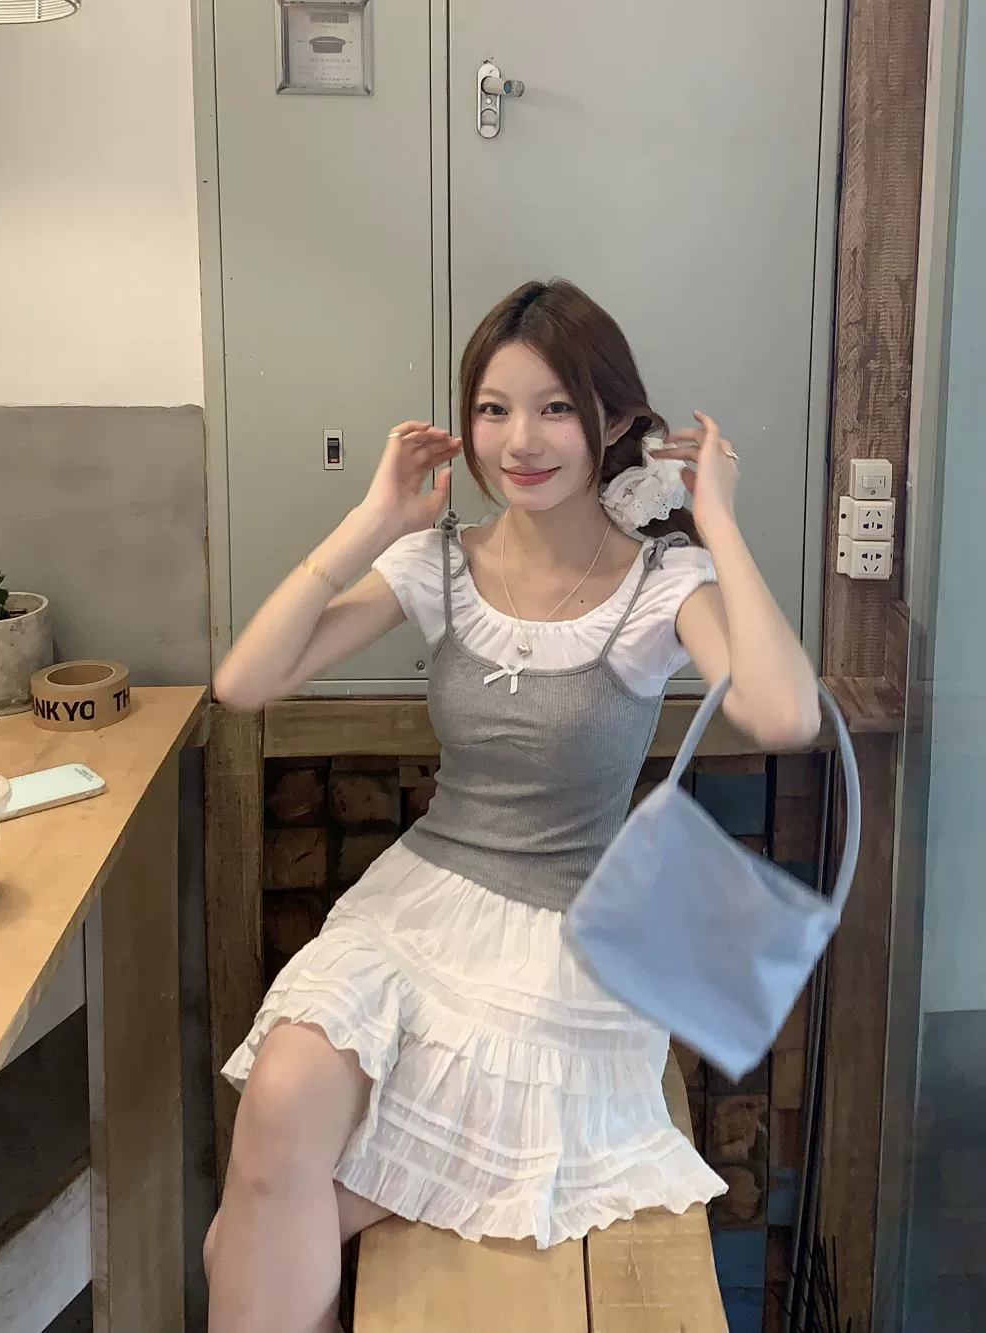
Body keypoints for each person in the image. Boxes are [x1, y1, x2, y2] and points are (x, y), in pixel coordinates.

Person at [206, 279, 821, 1333]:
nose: (520, 440)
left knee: (246, 1231)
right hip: (412, 913)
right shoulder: (439, 564)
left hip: (562, 948)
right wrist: (371, 521)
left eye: (555, 407)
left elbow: (783, 713)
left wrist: (717, 521)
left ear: (614, 423)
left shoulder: (658, 583)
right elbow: (243, 682)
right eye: (494, 408)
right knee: (279, 1107)